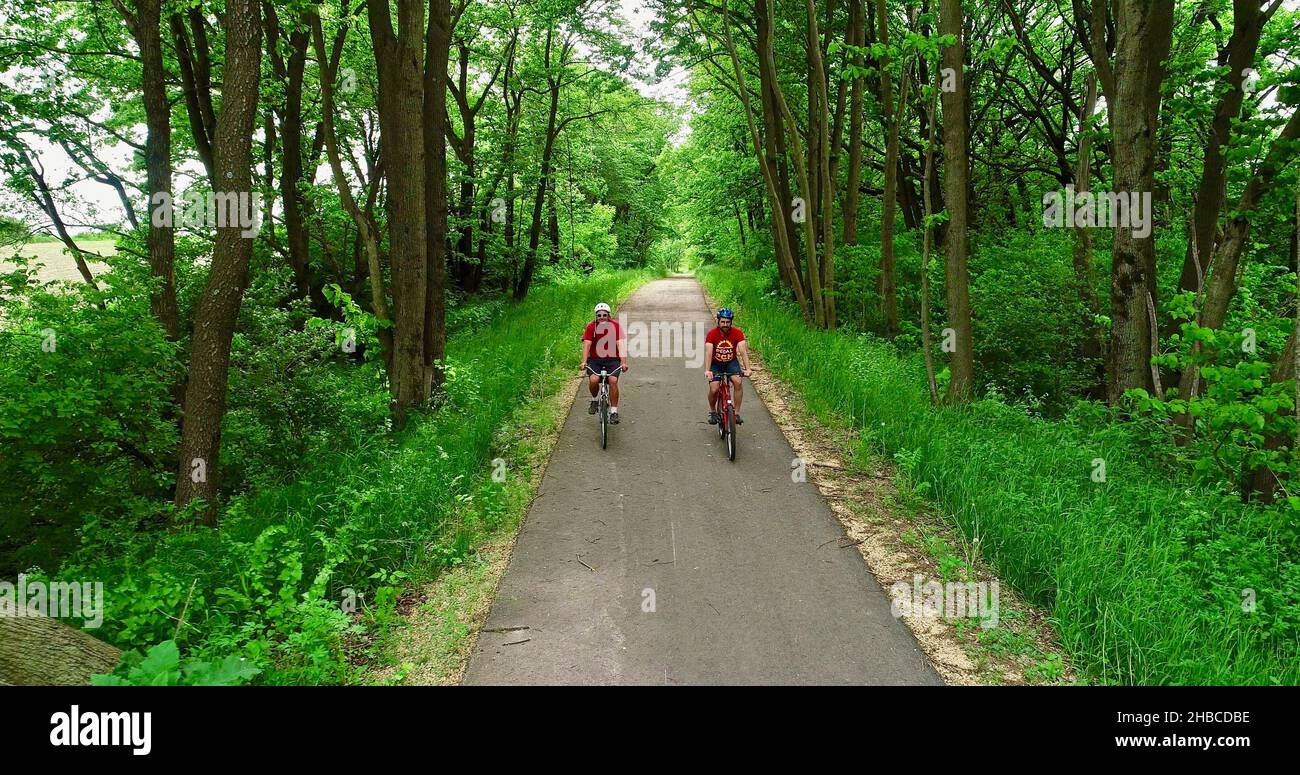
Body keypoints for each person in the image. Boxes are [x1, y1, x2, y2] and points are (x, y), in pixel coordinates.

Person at [580, 302, 628, 423]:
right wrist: (584, 362)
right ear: (596, 316)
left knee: (613, 380)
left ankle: (614, 411)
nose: (602, 317)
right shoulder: (591, 327)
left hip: (613, 360)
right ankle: (595, 400)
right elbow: (587, 344)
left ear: (608, 315)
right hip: (595, 360)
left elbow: (620, 344)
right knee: (594, 380)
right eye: (599, 315)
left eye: (604, 315)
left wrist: (623, 362)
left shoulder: (615, 326)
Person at [704, 307, 751, 425]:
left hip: (731, 362)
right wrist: (707, 370)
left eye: (728, 322)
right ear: (718, 321)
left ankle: (736, 413)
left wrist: (747, 368)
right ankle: (713, 411)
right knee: (714, 388)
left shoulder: (737, 333)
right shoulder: (712, 334)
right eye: (723, 322)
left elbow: (742, 351)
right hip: (716, 363)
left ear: (731, 322)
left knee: (738, 381)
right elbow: (708, 353)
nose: (725, 324)